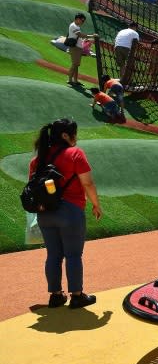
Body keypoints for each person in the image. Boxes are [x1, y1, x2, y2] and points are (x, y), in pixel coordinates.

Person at [29, 118, 102, 309]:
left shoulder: (38, 160)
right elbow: (87, 183)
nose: (76, 138)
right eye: (74, 134)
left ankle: (55, 296)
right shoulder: (75, 153)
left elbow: (33, 188)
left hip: (44, 213)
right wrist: (96, 205)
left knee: (53, 255)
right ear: (65, 136)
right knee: (73, 255)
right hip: (70, 212)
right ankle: (76, 296)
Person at [65, 13, 96, 86]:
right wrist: (92, 36)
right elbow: (80, 35)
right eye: (82, 20)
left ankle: (75, 80)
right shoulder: (74, 26)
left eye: (83, 21)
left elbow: (80, 37)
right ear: (77, 19)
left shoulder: (77, 26)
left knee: (76, 65)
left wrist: (90, 39)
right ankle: (70, 80)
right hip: (75, 47)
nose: (83, 22)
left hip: (78, 47)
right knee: (74, 64)